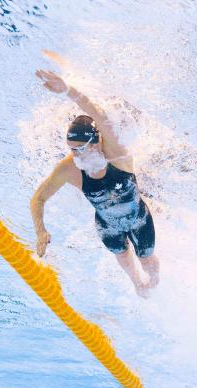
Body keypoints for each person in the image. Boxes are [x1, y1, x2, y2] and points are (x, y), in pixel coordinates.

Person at [30, 66, 160, 297]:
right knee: (123, 257)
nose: (76, 155)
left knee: (146, 259)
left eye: (81, 148)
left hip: (138, 218)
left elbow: (97, 114)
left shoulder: (116, 153)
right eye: (72, 149)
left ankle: (155, 282)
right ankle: (137, 284)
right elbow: (38, 198)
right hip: (107, 224)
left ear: (96, 141)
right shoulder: (68, 168)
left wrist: (68, 90)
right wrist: (40, 231)